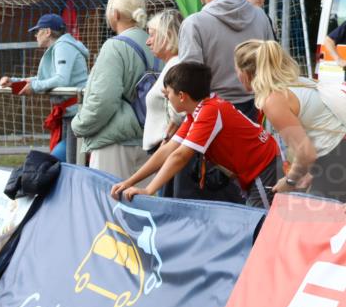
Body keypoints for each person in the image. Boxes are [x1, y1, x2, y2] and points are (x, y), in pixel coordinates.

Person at [110, 62, 282, 209]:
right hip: (258, 168)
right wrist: (129, 182)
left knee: (262, 229)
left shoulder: (210, 111)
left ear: (182, 96)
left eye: (168, 93)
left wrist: (149, 190)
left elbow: (180, 156)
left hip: (264, 166)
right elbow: (168, 150)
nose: (167, 97)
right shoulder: (198, 111)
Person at [234, 40, 346, 203]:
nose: (235, 75)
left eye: (235, 69)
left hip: (337, 159)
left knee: (318, 223)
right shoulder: (297, 83)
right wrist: (309, 174)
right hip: (336, 155)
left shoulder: (274, 100)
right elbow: (323, 133)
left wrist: (289, 181)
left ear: (246, 72)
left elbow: (306, 153)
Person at [71, 0, 154, 181]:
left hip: (115, 142)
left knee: (108, 205)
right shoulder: (156, 42)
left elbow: (103, 100)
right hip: (152, 140)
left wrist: (79, 125)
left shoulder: (114, 46)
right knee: (145, 207)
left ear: (115, 14)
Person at [179, 0, 274, 120]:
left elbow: (189, 81)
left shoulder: (194, 24)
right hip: (255, 106)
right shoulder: (260, 16)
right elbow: (271, 62)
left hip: (212, 113)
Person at [0, 13, 89, 161]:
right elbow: (44, 79)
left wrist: (34, 87)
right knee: (66, 161)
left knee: (64, 162)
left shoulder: (63, 46)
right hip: (70, 113)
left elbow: (61, 79)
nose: (35, 35)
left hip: (76, 113)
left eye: (37, 31)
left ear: (47, 32)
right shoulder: (60, 46)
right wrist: (15, 82)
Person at [142, 9, 185, 154]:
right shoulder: (173, 64)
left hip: (167, 148)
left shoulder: (175, 65)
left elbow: (179, 113)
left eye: (152, 35)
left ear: (167, 36)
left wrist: (167, 139)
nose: (148, 42)